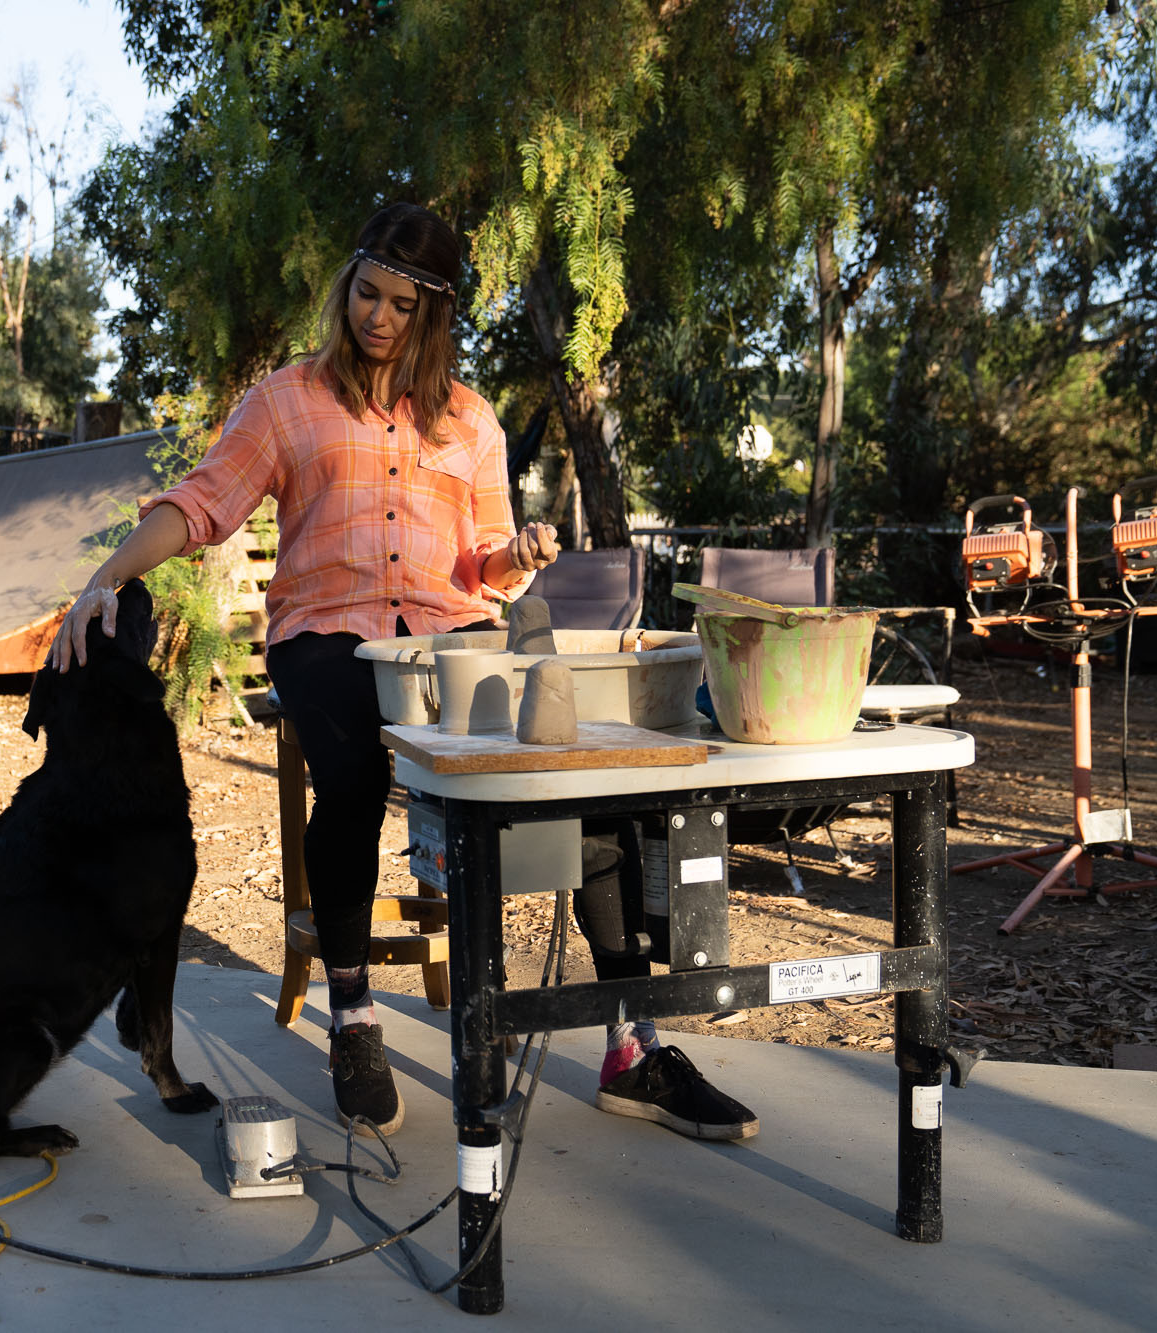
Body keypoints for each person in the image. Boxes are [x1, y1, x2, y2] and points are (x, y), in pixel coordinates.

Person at [50, 202, 756, 1142]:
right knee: (351, 775)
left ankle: (633, 1046)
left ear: (435, 317)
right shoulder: (286, 398)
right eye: (366, 294)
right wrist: (106, 575)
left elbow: (488, 563)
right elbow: (202, 503)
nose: (377, 318)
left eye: (401, 306)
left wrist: (524, 555)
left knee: (590, 782)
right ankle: (354, 1014)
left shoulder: (471, 419)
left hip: (452, 638)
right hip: (326, 637)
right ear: (348, 288)